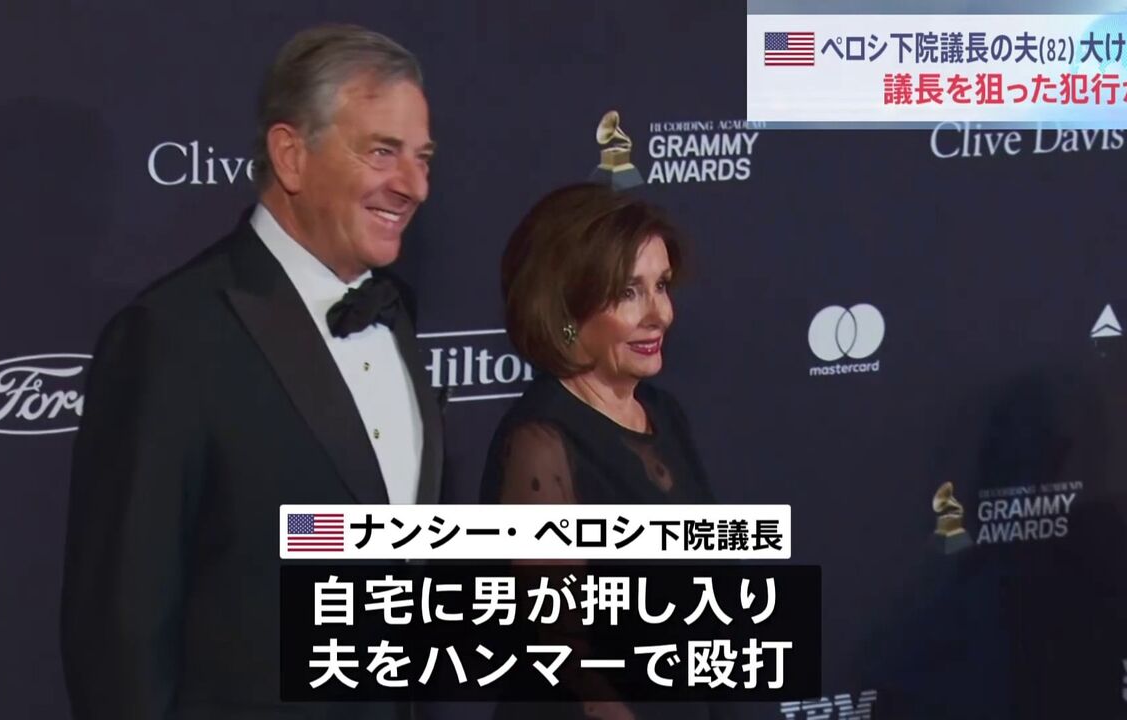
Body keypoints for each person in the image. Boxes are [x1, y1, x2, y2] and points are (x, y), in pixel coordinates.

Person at [60, 25, 442, 720]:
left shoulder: (396, 316)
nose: (413, 186)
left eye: (423, 158)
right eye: (382, 152)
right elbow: (120, 640)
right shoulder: (170, 337)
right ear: (291, 156)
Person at [480, 183, 716, 720]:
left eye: (662, 286)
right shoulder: (540, 443)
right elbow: (563, 655)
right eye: (629, 292)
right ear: (566, 308)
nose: (659, 314)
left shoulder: (665, 413)